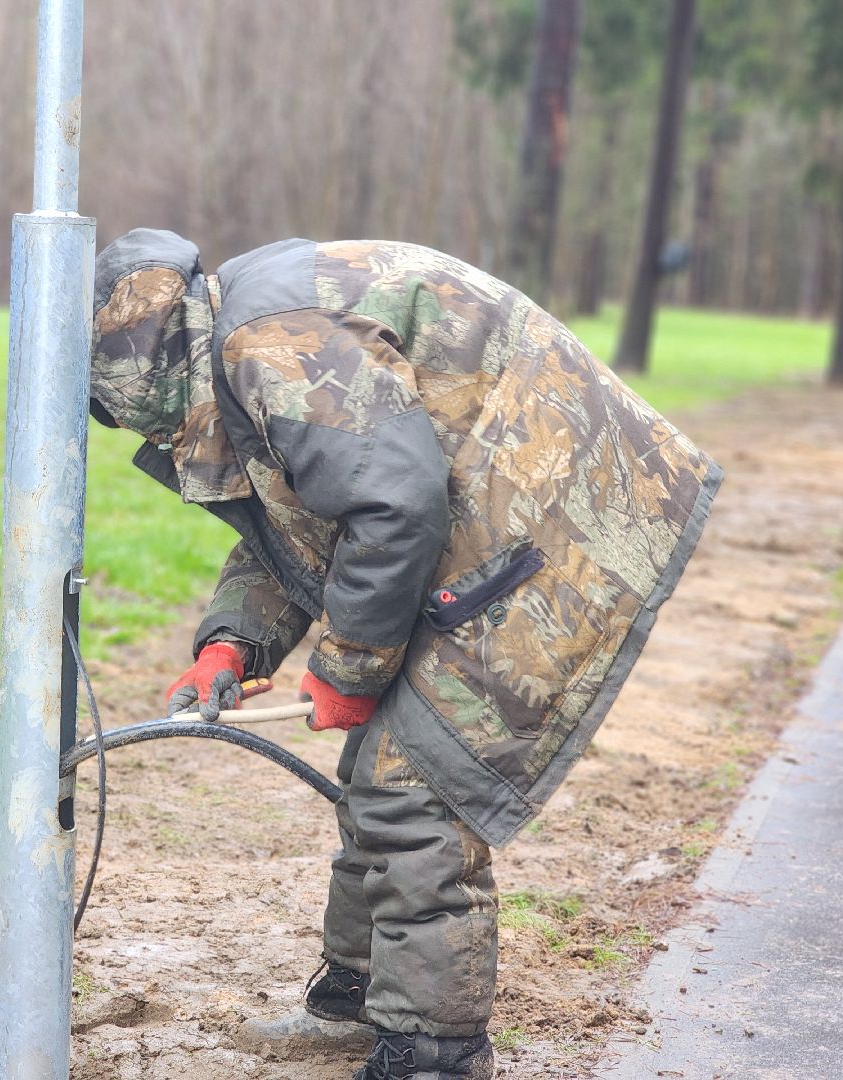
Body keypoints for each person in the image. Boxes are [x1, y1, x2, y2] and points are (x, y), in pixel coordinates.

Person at [89, 229, 722, 1080]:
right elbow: (306, 521)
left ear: (142, 380)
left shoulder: (267, 341)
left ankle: (432, 1055)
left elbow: (393, 504)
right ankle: (358, 1002)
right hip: (482, 501)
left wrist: (347, 667)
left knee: (412, 781)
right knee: (377, 768)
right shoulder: (226, 336)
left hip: (559, 501)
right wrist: (232, 642)